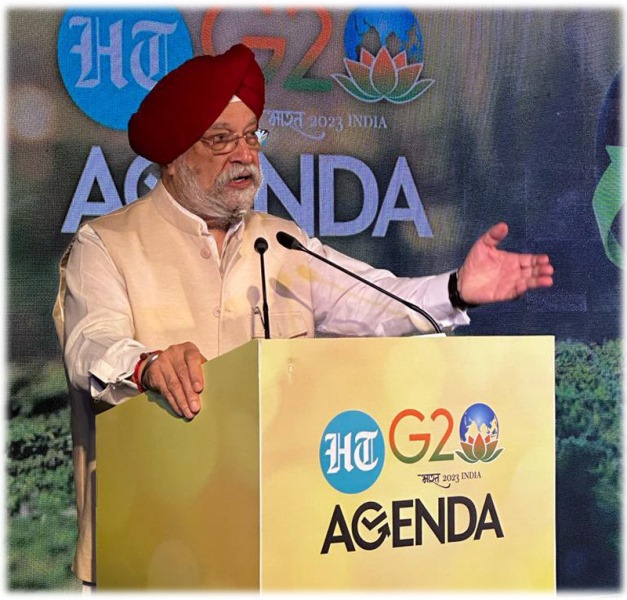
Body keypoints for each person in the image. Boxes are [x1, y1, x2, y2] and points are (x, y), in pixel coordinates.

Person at [53, 43, 553, 585]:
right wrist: (148, 366)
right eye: (221, 139)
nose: (245, 155)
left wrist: (456, 290)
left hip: (278, 541)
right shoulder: (106, 244)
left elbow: (374, 301)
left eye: (252, 136)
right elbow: (91, 345)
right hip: (151, 547)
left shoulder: (281, 240)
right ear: (173, 155)